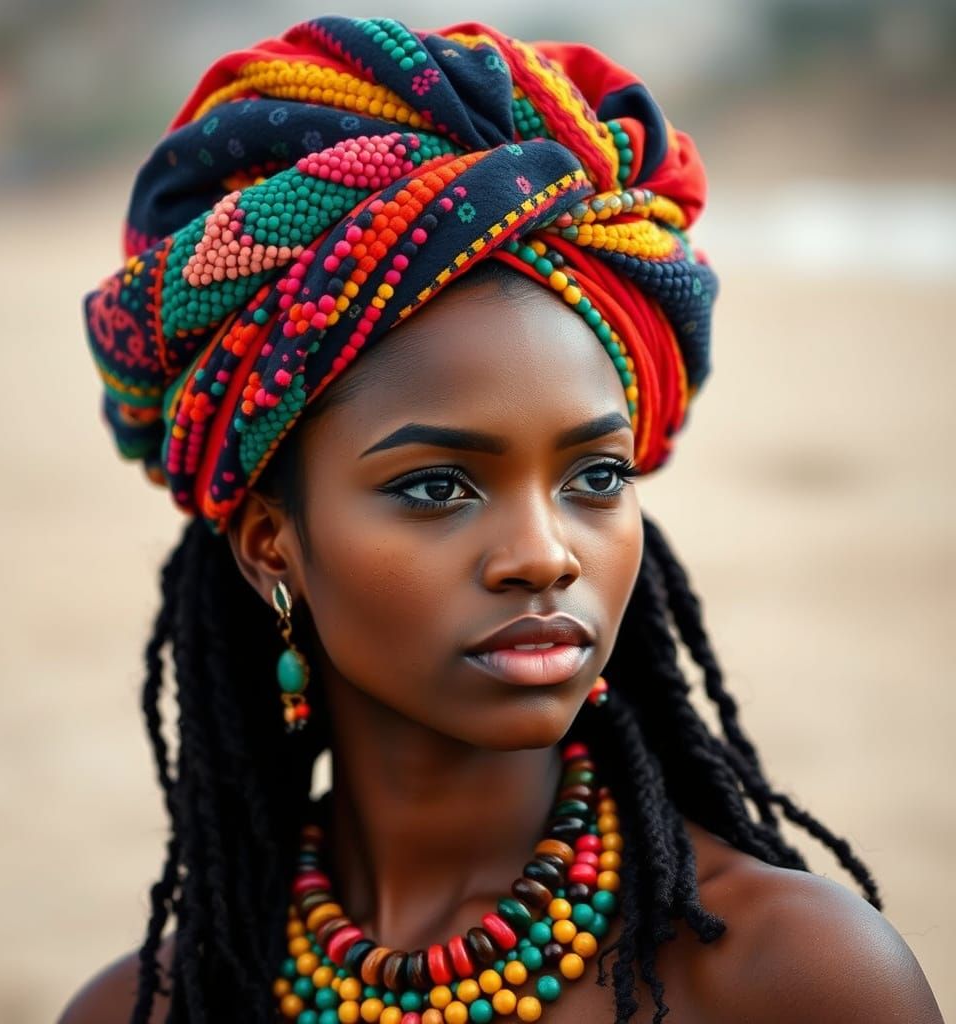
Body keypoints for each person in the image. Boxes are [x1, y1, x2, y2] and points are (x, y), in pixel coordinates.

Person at [60, 15, 943, 1024]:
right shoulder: (151, 1009)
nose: (544, 556)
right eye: (438, 487)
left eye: (595, 477)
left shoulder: (798, 980)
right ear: (271, 542)